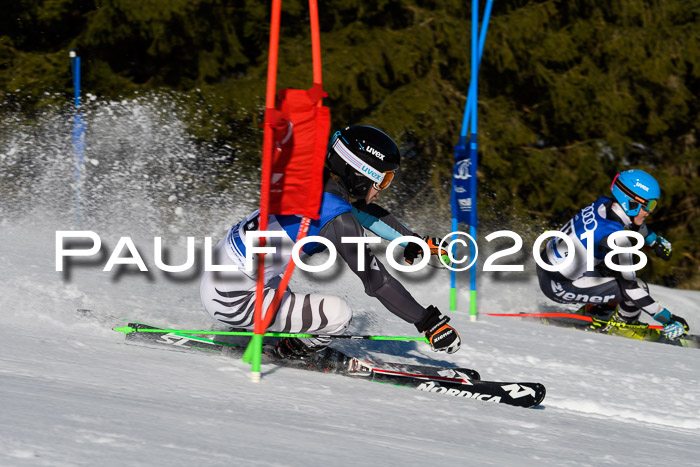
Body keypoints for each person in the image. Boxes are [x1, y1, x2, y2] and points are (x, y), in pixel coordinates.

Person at [200, 125, 460, 359]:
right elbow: (377, 282)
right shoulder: (339, 220)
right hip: (233, 299)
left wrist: (414, 242)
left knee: (293, 298)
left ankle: (255, 331)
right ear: (361, 174)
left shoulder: (314, 183)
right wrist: (429, 323)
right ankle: (283, 352)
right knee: (338, 316)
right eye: (383, 179)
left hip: (223, 276)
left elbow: (366, 215)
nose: (382, 190)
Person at [536, 169, 689, 339]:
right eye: (650, 205)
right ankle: (623, 327)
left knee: (613, 272)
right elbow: (631, 288)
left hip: (547, 268)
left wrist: (654, 240)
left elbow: (632, 223)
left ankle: (595, 314)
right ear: (632, 203)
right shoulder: (618, 239)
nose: (650, 212)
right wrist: (668, 319)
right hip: (559, 286)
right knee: (636, 286)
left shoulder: (604, 205)